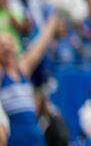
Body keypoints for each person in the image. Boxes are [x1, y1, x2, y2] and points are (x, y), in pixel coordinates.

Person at [0, 13, 60, 146]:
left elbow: (40, 45)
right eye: (2, 45)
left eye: (9, 44)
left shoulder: (22, 70)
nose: (6, 48)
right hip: (13, 140)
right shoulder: (1, 76)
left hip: (35, 139)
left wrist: (55, 16)